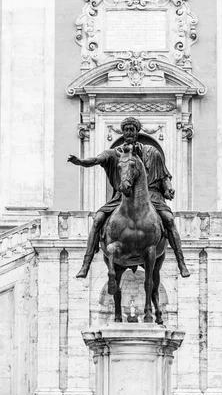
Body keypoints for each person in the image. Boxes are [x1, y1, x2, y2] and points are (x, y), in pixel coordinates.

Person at [68, 116, 190, 279]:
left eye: (132, 129)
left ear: (137, 132)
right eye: (126, 130)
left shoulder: (152, 152)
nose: (128, 133)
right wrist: (81, 162)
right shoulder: (114, 154)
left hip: (152, 196)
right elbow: (97, 159)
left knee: (168, 220)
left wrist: (168, 189)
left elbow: (164, 175)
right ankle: (86, 264)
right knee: (98, 220)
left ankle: (181, 262)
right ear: (122, 132)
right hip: (121, 197)